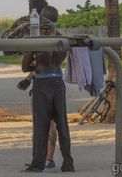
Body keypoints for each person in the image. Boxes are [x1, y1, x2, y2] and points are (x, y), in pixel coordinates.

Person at [21, 18, 74, 172]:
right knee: (62, 124)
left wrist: (31, 52)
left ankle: (37, 164)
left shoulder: (37, 41)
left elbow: (25, 66)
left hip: (42, 82)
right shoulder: (62, 41)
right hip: (57, 80)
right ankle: (68, 163)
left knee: (41, 126)